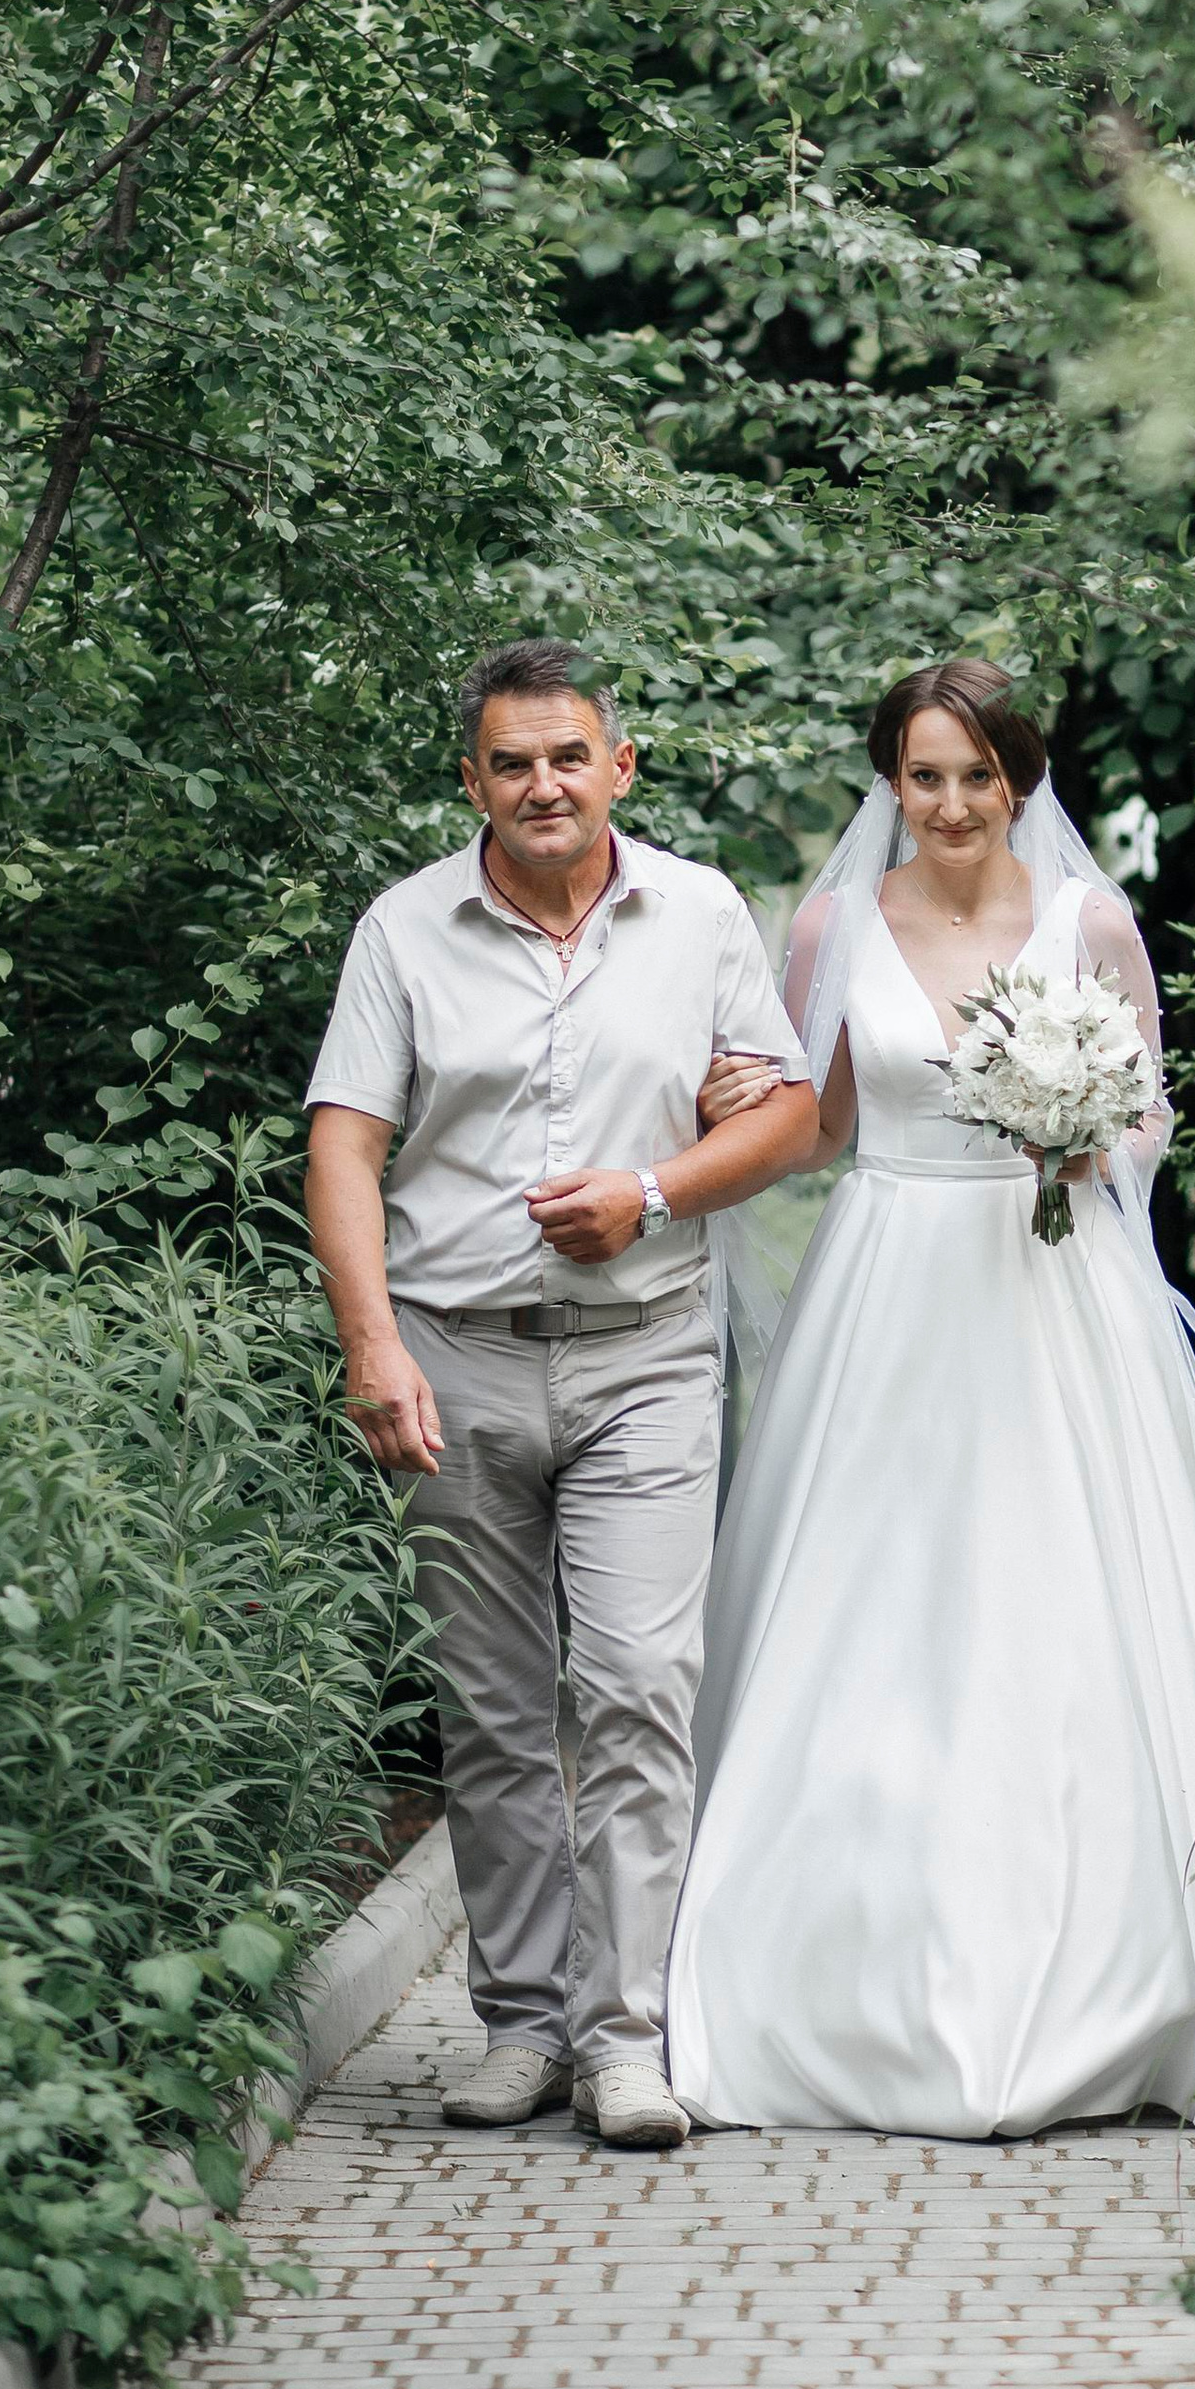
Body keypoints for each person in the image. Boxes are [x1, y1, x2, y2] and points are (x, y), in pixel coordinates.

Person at [665, 658, 1195, 2139]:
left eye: (979, 775)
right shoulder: (831, 925)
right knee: (877, 1602)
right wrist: (694, 1136)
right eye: (925, 776)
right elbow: (816, 1123)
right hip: (890, 1278)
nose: (953, 804)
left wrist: (1092, 1144)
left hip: (1055, 1286)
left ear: (1020, 777)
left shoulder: (1090, 920)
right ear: (891, 782)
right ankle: (840, 1976)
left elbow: (1151, 1106)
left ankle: (1116, 1978)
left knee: (1069, 1597)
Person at [304, 639, 817, 2151]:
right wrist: (373, 1347)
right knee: (493, 1708)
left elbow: (787, 1111)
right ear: (473, 780)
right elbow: (344, 1145)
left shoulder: (701, 914)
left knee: (641, 1686)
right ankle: (522, 2026)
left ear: (619, 768)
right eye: (513, 762)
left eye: (569, 757)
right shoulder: (403, 930)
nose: (544, 785)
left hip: (646, 1354)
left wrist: (652, 1193)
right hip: (453, 1352)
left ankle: (624, 2041)